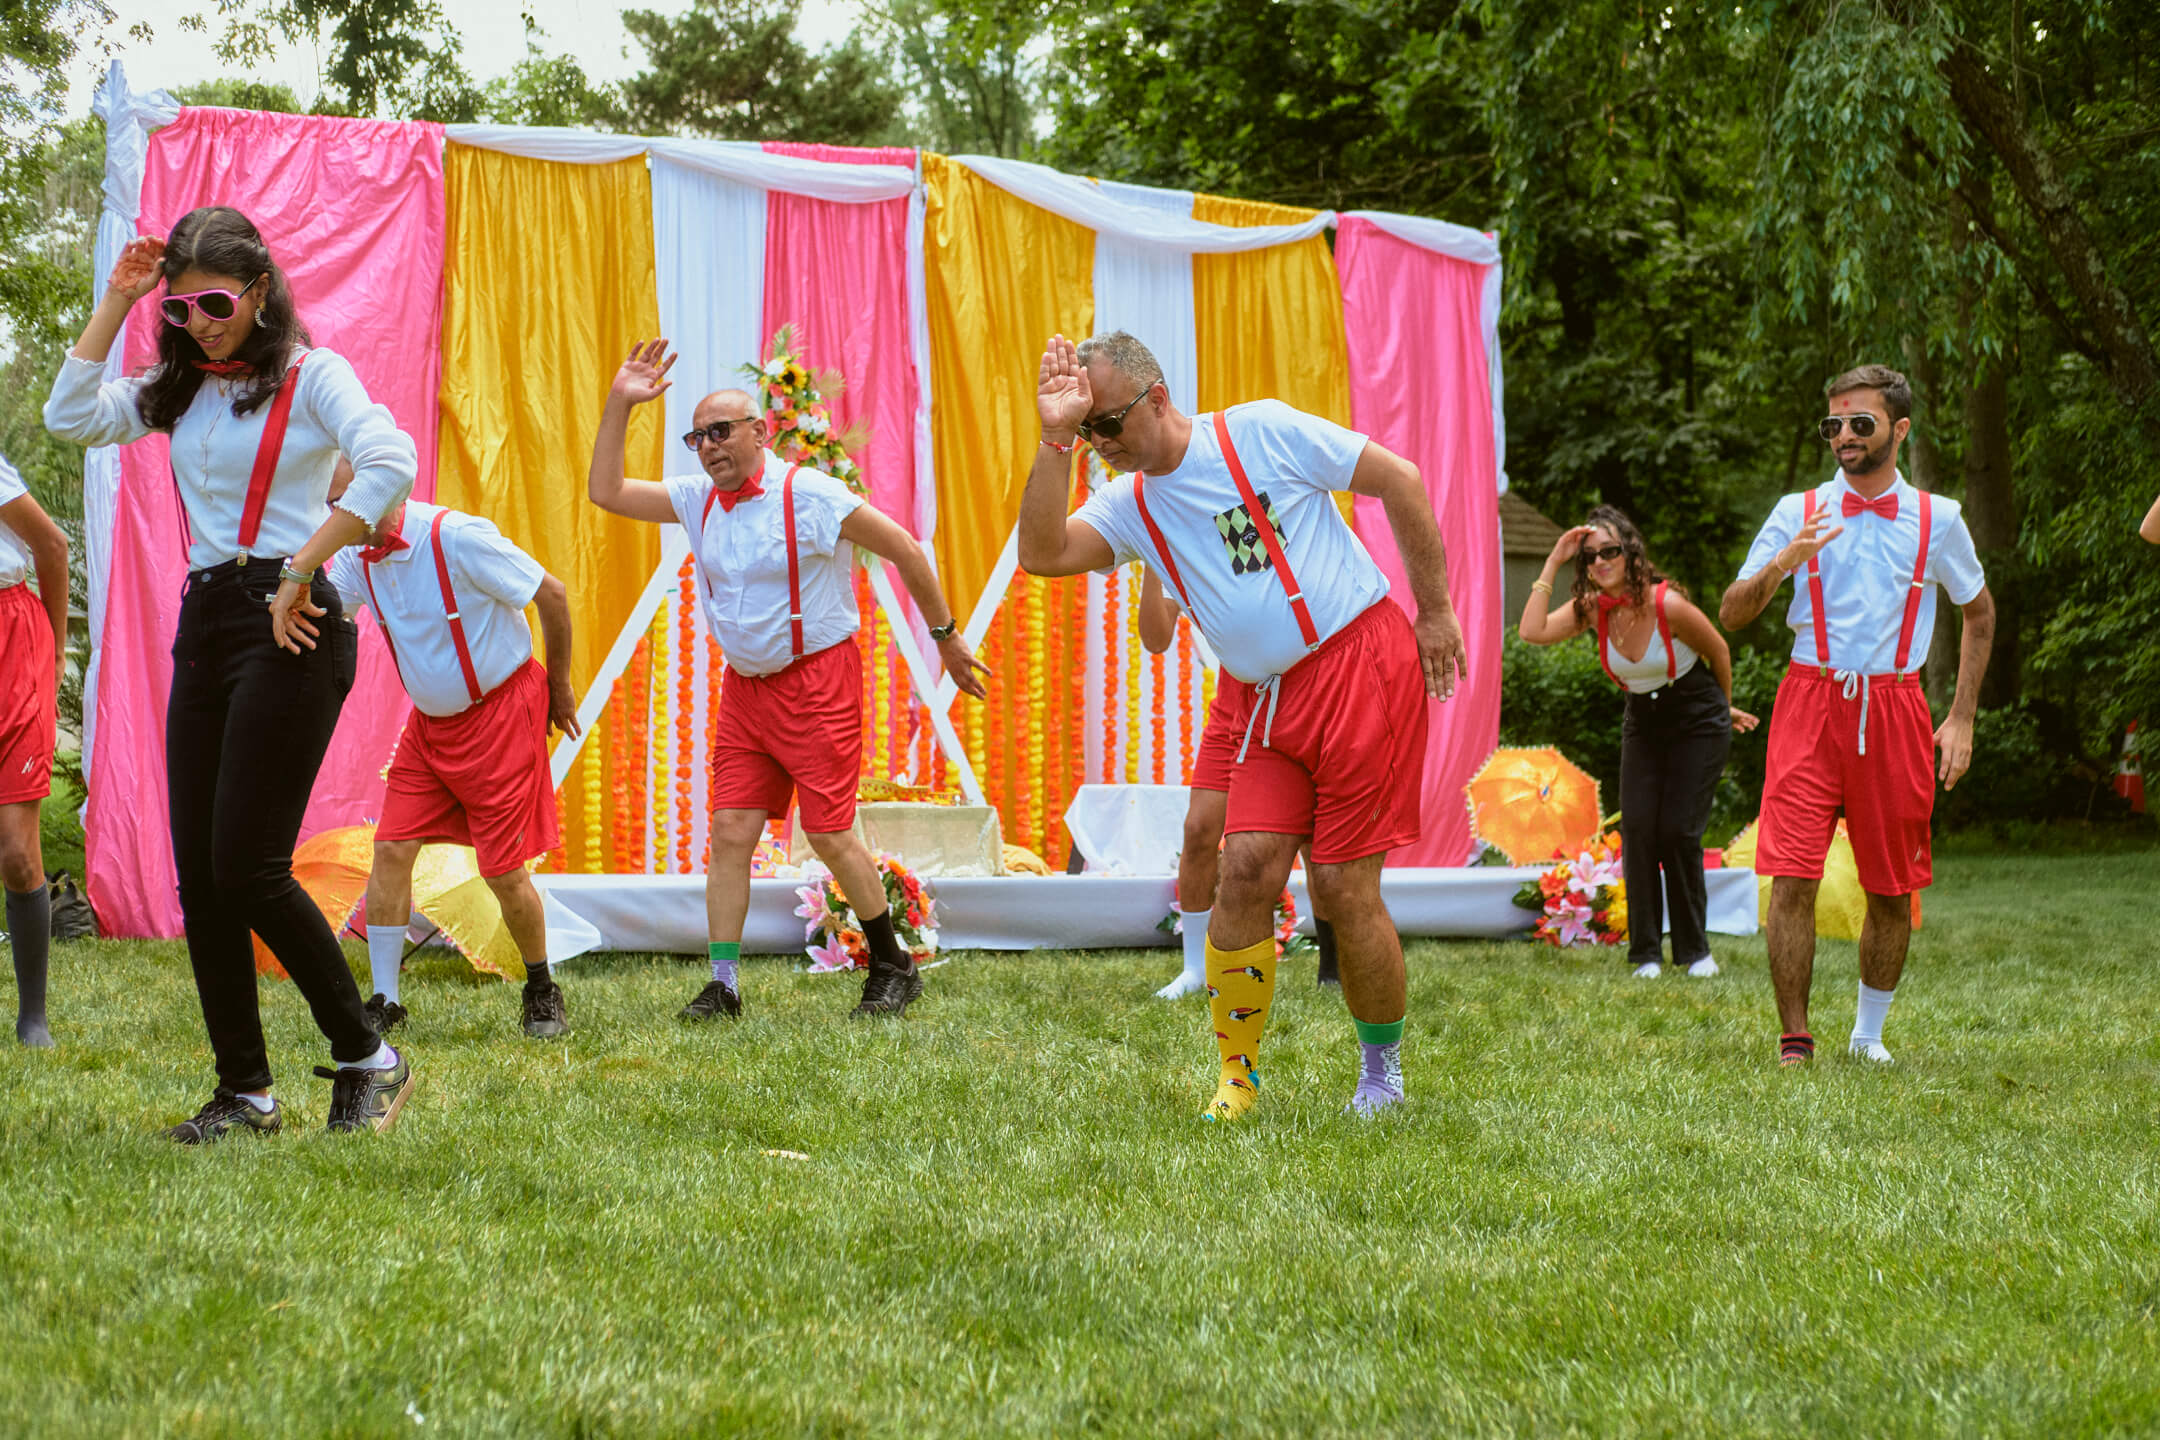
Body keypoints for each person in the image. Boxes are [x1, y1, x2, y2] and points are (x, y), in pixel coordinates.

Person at [1019, 330, 1467, 1121]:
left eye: (1108, 424)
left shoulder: (1258, 432)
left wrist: (1434, 611)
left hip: (1359, 665)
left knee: (1339, 885)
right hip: (1262, 695)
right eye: (1089, 433)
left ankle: (1381, 1073)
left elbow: (1399, 477)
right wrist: (1056, 439)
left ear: (1157, 398)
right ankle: (1238, 1079)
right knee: (1245, 870)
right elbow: (1043, 553)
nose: (1103, 445)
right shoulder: (1127, 504)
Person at [44, 208, 418, 1139]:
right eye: (182, 308)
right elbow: (69, 416)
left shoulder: (312, 372)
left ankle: (371, 1053)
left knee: (247, 865)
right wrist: (120, 299)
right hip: (207, 619)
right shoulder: (180, 387)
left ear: (258, 291)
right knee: (203, 882)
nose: (200, 321)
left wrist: (303, 568)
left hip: (293, 620)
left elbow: (390, 461)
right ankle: (245, 1092)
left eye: (215, 302)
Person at [587, 339, 989, 1020]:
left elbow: (905, 548)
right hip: (744, 691)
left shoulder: (812, 494)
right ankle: (724, 986)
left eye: (721, 431)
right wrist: (621, 404)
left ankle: (891, 961)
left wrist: (947, 639)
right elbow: (607, 491)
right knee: (731, 833)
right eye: (697, 437)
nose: (709, 447)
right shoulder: (697, 500)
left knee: (830, 834)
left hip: (819, 682)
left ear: (759, 431)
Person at [1719, 364, 1991, 1068]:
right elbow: (1732, 612)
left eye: (1859, 423)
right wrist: (1785, 558)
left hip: (1896, 704)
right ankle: (1794, 1039)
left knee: (1891, 885)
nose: (1843, 435)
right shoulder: (1797, 508)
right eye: (1832, 424)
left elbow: (1980, 614)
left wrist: (1960, 717)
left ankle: (1868, 1034)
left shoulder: (1940, 519)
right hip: (1809, 699)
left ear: (1899, 430)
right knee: (1792, 877)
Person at [325, 472, 582, 1040]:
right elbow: (324, 615)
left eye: (341, 502)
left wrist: (559, 687)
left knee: (503, 871)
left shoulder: (458, 537)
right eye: (326, 503)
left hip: (502, 716)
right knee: (390, 849)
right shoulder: (356, 556)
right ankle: (385, 1001)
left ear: (379, 491)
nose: (333, 515)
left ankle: (541, 987)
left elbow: (554, 595)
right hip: (429, 728)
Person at [1518, 505, 1758, 979]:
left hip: (1698, 717)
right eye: (1589, 557)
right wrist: (1552, 561)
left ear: (1630, 553)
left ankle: (1694, 953)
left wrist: (1721, 709)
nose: (1600, 562)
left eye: (1610, 551)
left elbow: (1718, 651)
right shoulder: (1592, 609)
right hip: (1643, 720)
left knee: (1679, 833)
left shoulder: (1667, 604)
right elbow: (1532, 631)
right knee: (1641, 833)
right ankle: (1645, 953)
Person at [1136, 567, 1341, 998]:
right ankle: (1195, 969)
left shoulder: (1260, 529)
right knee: (1198, 830)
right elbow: (1156, 639)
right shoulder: (1185, 543)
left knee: (1314, 844)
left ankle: (1332, 970)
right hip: (1234, 707)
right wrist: (1150, 565)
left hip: (1299, 701)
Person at [0, 453, 69, 1047]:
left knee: (17, 852)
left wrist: (51, 647)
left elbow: (51, 545)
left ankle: (33, 1017)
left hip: (13, 642)